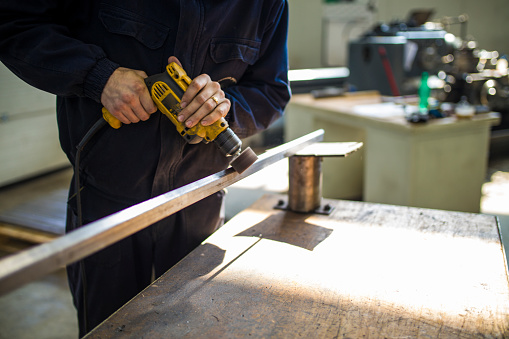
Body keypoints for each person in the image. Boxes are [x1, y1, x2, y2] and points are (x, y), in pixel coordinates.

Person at [0, 0, 290, 336]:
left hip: (199, 200)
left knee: (197, 325)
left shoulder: (265, 5)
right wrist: (98, 77)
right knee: (108, 328)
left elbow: (272, 90)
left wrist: (225, 107)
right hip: (106, 201)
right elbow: (15, 23)